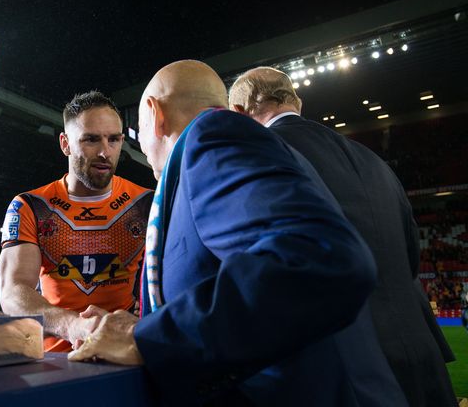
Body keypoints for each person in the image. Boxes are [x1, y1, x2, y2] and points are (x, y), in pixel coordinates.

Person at [69, 60, 407, 406]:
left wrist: (149, 337)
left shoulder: (212, 136)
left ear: (155, 115)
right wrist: (136, 324)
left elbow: (318, 258)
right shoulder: (226, 155)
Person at [228, 66, 458, 407]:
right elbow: (411, 256)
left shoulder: (256, 155)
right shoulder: (374, 159)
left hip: (347, 371)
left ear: (238, 112)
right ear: (298, 102)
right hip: (423, 361)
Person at [0, 90, 153, 352]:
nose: (105, 152)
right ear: (65, 143)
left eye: (114, 139)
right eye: (91, 140)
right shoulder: (32, 206)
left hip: (127, 353)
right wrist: (73, 327)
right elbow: (13, 291)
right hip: (56, 360)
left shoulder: (146, 204)